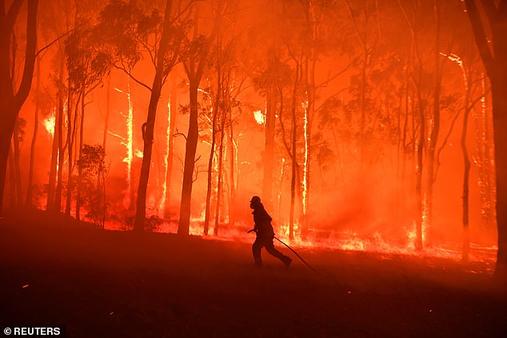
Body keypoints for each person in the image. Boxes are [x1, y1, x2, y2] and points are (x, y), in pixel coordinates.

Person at [248, 196, 292, 268]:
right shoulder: (258, 210)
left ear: (256, 203)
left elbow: (267, 220)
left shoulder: (259, 211)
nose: (251, 204)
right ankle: (286, 260)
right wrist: (256, 228)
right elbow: (259, 222)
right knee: (270, 250)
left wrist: (264, 231)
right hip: (265, 233)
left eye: (253, 202)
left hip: (265, 234)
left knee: (256, 247)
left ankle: (258, 264)